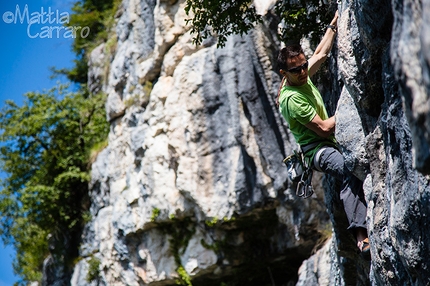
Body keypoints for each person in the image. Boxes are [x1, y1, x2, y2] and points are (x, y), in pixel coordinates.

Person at [276, 11, 370, 258]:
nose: (304, 71)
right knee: (350, 168)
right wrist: (350, 107)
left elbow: (321, 53)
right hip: (317, 151)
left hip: (329, 142)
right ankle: (361, 237)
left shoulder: (301, 77)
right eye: (297, 70)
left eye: (304, 65)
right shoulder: (291, 99)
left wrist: (335, 22)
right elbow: (326, 128)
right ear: (284, 74)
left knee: (353, 166)